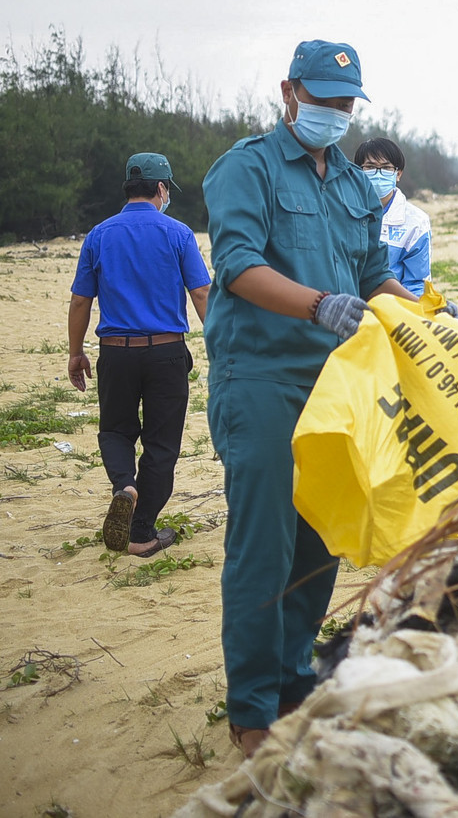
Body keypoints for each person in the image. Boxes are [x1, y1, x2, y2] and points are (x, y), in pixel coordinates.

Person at [203, 40, 418, 757]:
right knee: (263, 542)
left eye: (344, 103)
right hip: (261, 377)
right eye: (321, 99)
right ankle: (253, 705)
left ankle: (296, 677)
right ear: (290, 90)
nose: (333, 113)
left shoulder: (358, 186)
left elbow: (376, 273)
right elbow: (237, 265)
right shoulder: (248, 168)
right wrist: (318, 305)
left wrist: (420, 315)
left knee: (319, 538)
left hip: (336, 385)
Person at [67, 152, 210, 557]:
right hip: (166, 353)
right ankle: (142, 530)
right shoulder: (179, 233)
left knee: (115, 431)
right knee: (162, 445)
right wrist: (222, 344)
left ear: (129, 188)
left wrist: (76, 353)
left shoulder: (98, 235)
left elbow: (80, 302)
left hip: (115, 354)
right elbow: (201, 294)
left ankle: (123, 487)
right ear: (162, 189)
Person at [353, 138, 433, 296]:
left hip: (393, 307)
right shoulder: (342, 211)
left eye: (386, 168)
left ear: (398, 173)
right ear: (358, 171)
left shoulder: (416, 222)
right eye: (370, 167)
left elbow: (417, 283)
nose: (378, 174)